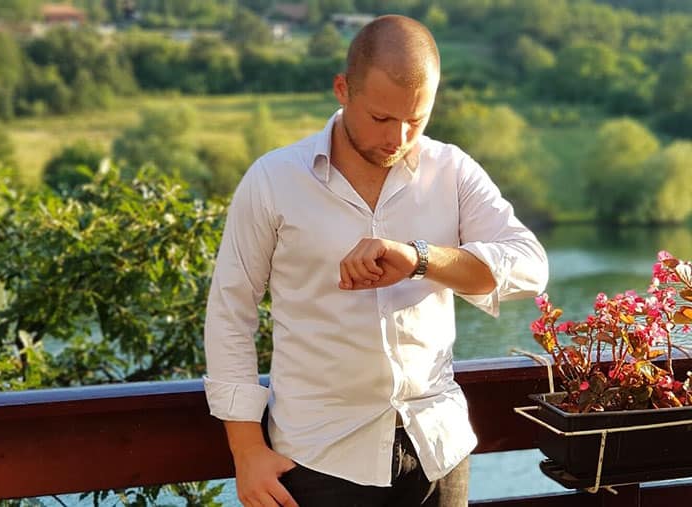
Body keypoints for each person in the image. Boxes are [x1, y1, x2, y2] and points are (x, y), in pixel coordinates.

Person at [203, 14, 549, 507]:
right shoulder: (273, 180)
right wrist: (246, 451)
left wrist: (418, 259)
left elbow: (530, 266)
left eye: (416, 119)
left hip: (438, 453)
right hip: (318, 459)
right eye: (382, 118)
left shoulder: (451, 171)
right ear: (342, 89)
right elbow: (229, 315)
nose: (398, 137)